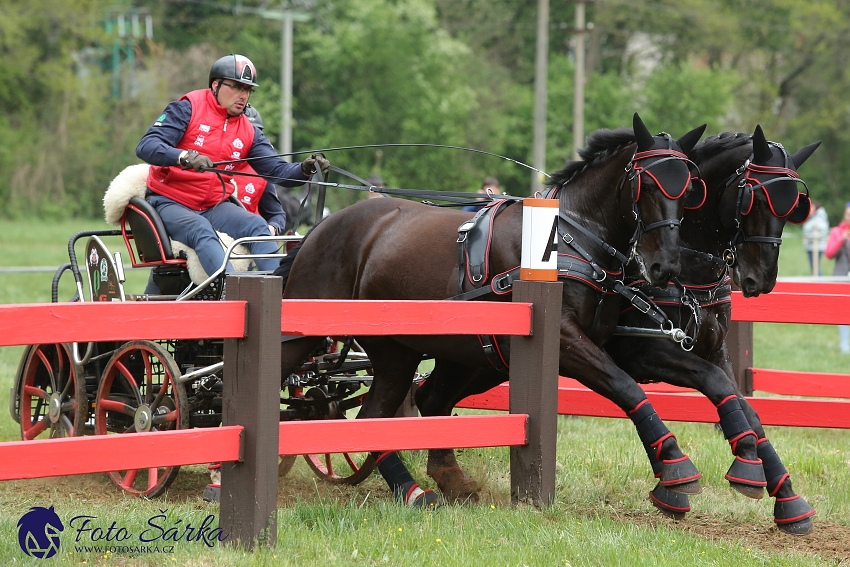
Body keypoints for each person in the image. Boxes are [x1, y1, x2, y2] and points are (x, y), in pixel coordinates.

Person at [135, 53, 329, 281]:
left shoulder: (249, 131)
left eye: (247, 90)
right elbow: (146, 146)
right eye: (236, 87)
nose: (243, 96)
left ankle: (278, 293)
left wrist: (305, 169)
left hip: (213, 205)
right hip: (170, 201)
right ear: (215, 85)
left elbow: (279, 173)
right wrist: (184, 156)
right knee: (201, 230)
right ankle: (229, 290)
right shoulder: (187, 108)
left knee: (258, 226)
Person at [825, 202, 850, 353]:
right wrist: (841, 239)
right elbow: (829, 253)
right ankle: (845, 345)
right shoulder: (836, 231)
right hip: (841, 276)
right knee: (843, 312)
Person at [802, 200, 829, 276]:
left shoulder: (819, 219)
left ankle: (819, 283)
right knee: (813, 268)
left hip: (817, 247)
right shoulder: (811, 218)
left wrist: (810, 237)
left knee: (815, 268)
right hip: (811, 247)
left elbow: (823, 232)